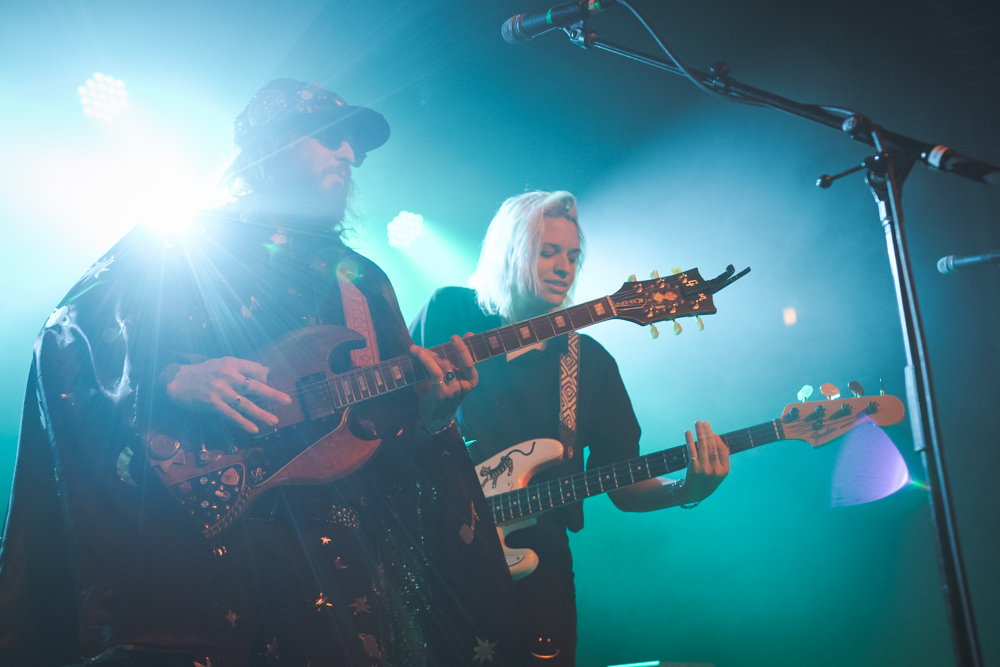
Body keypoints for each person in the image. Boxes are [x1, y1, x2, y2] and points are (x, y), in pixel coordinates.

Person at [0, 79, 528, 667]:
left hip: (340, 572)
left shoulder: (362, 279)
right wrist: (171, 379)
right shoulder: (181, 245)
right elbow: (68, 336)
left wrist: (430, 420)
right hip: (204, 564)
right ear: (271, 146)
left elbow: (392, 447)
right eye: (332, 137)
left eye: (354, 143)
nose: (350, 156)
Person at [409, 190, 731, 665]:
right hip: (434, 549)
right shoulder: (450, 312)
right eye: (549, 251)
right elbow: (396, 416)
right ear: (512, 251)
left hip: (537, 569)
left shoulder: (590, 362)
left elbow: (623, 481)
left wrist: (687, 489)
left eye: (573, 256)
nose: (565, 266)